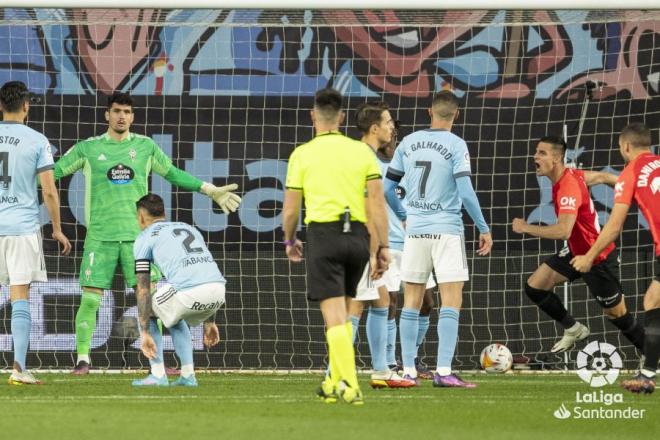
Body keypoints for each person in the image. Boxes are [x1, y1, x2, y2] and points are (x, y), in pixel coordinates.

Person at [54, 92, 240, 374]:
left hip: (139, 240)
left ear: (133, 116)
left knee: (151, 301)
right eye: (116, 111)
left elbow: (174, 174)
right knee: (91, 299)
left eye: (127, 112)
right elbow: (52, 173)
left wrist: (209, 189)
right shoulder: (88, 148)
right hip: (100, 237)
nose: (121, 116)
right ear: (107, 114)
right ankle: (83, 359)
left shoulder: (145, 147)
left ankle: (164, 363)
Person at [282, 88, 390, 405]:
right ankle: (331, 382)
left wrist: (290, 240)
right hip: (357, 237)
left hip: (324, 236)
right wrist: (381, 247)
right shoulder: (360, 152)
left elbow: (290, 211)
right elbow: (378, 205)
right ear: (342, 117)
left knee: (334, 318)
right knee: (343, 315)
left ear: (313, 116)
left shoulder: (302, 154)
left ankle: (350, 384)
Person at [384, 90, 492, 388]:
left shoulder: (408, 143)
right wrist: (483, 227)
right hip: (446, 230)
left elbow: (386, 188)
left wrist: (403, 214)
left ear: (429, 111)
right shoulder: (457, 145)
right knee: (451, 300)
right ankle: (443, 370)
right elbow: (466, 192)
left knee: (412, 301)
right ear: (456, 115)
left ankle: (407, 371)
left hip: (416, 231)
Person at [512, 136, 645, 354]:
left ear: (556, 159)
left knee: (617, 315)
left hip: (596, 257)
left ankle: (652, 356)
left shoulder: (568, 186)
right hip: (576, 252)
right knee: (535, 286)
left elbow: (563, 230)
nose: (535, 156)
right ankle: (573, 329)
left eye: (542, 153)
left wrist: (526, 227)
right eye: (536, 151)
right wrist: (630, 187)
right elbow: (602, 176)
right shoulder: (572, 175)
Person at [571, 123, 660, 394]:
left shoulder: (630, 172)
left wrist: (588, 256)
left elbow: (614, 227)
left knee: (652, 301)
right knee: (654, 299)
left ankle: (647, 375)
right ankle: (647, 373)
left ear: (625, 147)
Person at [0, 81, 72, 385]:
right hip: (21, 228)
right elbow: (50, 191)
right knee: (19, 296)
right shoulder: (38, 140)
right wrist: (56, 228)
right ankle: (19, 368)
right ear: (26, 106)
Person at [348, 102, 415, 389]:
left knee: (379, 300)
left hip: (350, 234)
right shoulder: (366, 160)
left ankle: (381, 370)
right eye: (388, 122)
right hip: (358, 237)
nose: (392, 128)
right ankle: (334, 373)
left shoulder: (360, 154)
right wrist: (377, 248)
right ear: (374, 128)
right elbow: (367, 206)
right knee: (356, 304)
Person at [132, 193, 224, 386]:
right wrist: (210, 321)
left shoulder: (145, 238)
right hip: (218, 291)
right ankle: (188, 375)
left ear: (140, 216)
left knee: (147, 309)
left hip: (190, 292)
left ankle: (158, 375)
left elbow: (143, 288)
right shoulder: (188, 227)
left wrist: (145, 331)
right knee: (171, 313)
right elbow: (203, 270)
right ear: (164, 213)